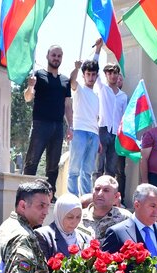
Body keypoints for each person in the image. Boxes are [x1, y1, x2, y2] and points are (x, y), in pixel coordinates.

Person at [23, 45, 73, 198]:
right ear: (47, 56)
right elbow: (27, 97)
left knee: (53, 166)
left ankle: (50, 195)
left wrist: (70, 126)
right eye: (54, 55)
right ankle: (26, 192)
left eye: (59, 56)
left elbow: (67, 105)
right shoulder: (38, 75)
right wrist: (30, 87)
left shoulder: (65, 81)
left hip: (58, 127)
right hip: (40, 124)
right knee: (32, 161)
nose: (56, 58)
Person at [92, 39, 128, 195]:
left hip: (115, 134)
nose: (113, 75)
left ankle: (108, 196)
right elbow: (94, 69)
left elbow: (124, 117)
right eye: (110, 72)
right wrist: (98, 50)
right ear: (106, 74)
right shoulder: (102, 88)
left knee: (111, 168)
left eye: (115, 72)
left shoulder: (123, 96)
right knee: (98, 166)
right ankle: (95, 194)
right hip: (102, 129)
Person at [67, 59, 101, 196]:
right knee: (74, 169)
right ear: (84, 75)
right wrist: (76, 68)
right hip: (79, 131)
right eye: (88, 74)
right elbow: (71, 81)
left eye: (93, 74)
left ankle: (86, 198)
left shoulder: (97, 96)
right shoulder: (79, 89)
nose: (91, 77)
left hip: (94, 134)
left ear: (96, 76)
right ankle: (72, 198)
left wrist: (99, 139)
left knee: (87, 170)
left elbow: (96, 118)